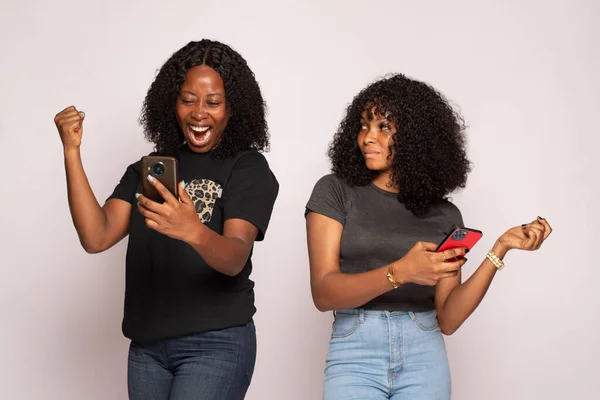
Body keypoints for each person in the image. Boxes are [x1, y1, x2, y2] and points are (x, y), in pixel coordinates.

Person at [54, 39, 279, 400]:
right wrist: (71, 152)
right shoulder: (150, 169)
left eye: (213, 102)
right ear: (172, 104)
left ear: (233, 108)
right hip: (147, 347)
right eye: (188, 99)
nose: (199, 113)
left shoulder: (246, 166)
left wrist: (192, 230)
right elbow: (96, 236)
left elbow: (235, 256)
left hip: (215, 342)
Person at [305, 73, 552, 399]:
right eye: (364, 125)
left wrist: (500, 248)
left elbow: (448, 319)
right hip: (355, 351)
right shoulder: (334, 191)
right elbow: (324, 293)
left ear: (414, 137)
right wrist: (400, 272)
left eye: (383, 127)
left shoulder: (445, 215)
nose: (367, 137)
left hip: (425, 353)